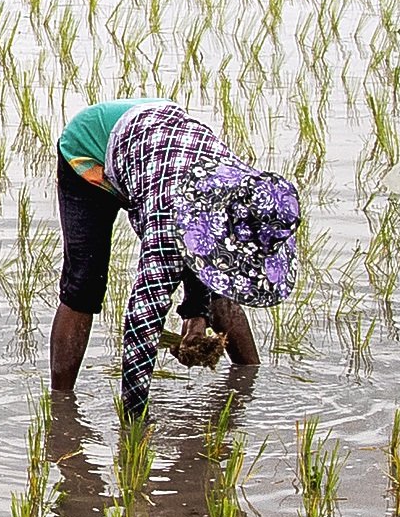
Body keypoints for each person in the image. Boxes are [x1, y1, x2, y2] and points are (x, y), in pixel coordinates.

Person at [46, 98, 306, 420]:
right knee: (85, 284)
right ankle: (60, 408)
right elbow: (142, 323)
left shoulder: (248, 191)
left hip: (160, 154)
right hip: (90, 150)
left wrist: (197, 313)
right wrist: (134, 425)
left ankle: (248, 385)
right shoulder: (168, 221)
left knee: (225, 280)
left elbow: (214, 265)